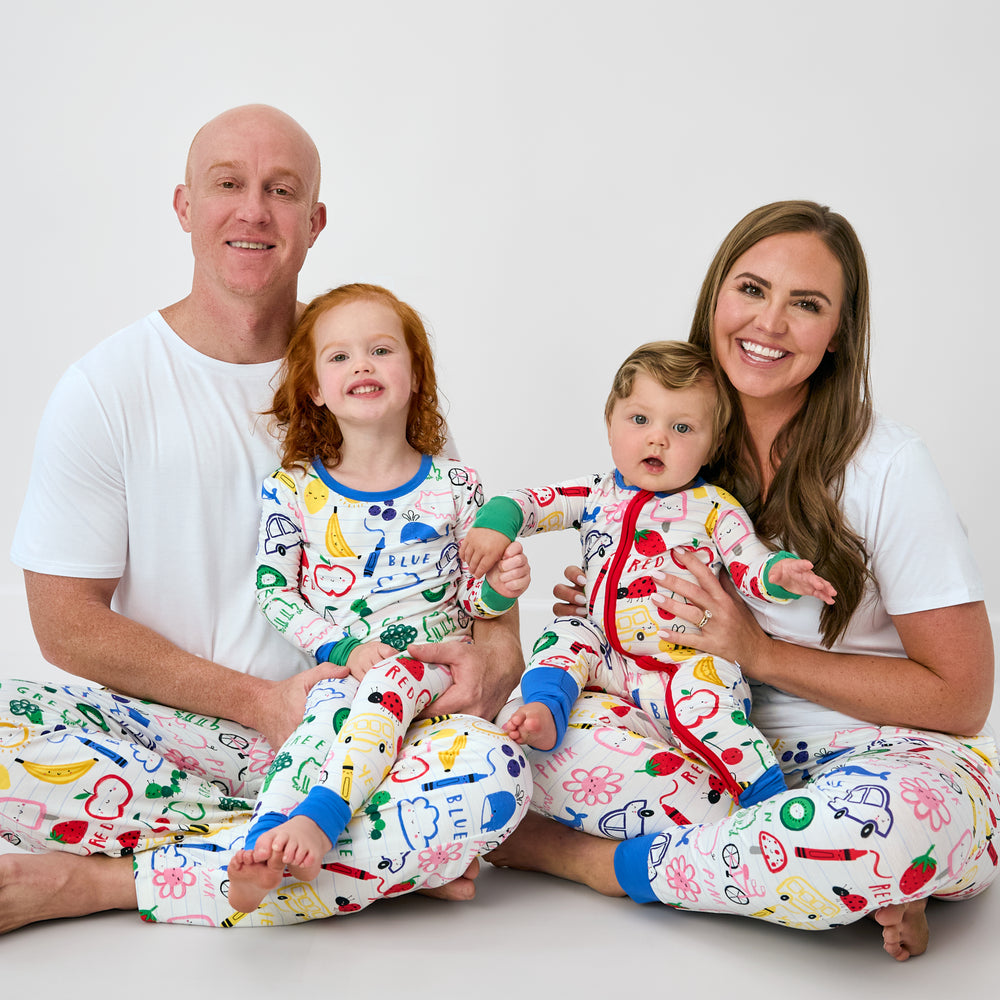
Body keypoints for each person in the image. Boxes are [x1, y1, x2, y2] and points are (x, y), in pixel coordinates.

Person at [0, 105, 526, 932]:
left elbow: (470, 564)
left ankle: (103, 883)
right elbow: (63, 625)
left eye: (281, 191)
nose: (253, 211)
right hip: (177, 739)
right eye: (228, 185)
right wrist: (258, 702)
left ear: (314, 222)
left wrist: (492, 653)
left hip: (369, 739)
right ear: (184, 206)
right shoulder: (107, 387)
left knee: (494, 773)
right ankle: (373, 863)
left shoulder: (368, 367)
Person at [485, 200, 998, 961]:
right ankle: (812, 875)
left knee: (884, 825)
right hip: (706, 746)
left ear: (837, 336)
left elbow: (962, 697)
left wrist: (760, 652)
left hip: (882, 755)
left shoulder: (888, 466)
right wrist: (604, 606)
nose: (770, 323)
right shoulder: (676, 439)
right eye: (752, 289)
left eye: (808, 305)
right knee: (514, 739)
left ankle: (587, 861)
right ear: (717, 296)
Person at [225, 282, 531, 914]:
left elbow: (474, 597)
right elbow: (274, 592)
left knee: (394, 712)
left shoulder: (455, 486)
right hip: (344, 671)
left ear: (416, 376)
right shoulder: (294, 491)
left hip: (432, 675)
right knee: (318, 733)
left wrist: (499, 588)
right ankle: (266, 843)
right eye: (338, 357)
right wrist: (342, 647)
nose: (361, 365)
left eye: (381, 350)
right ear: (314, 387)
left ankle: (320, 823)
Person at [461, 340, 835, 809]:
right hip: (608, 658)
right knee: (565, 633)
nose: (658, 438)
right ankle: (547, 708)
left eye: (682, 427)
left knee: (711, 706)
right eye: (640, 420)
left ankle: (767, 799)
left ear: (713, 443)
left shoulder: (715, 507)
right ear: (610, 423)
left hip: (687, 660)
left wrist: (784, 574)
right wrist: (495, 527)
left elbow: (751, 565)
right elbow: (527, 501)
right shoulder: (595, 495)